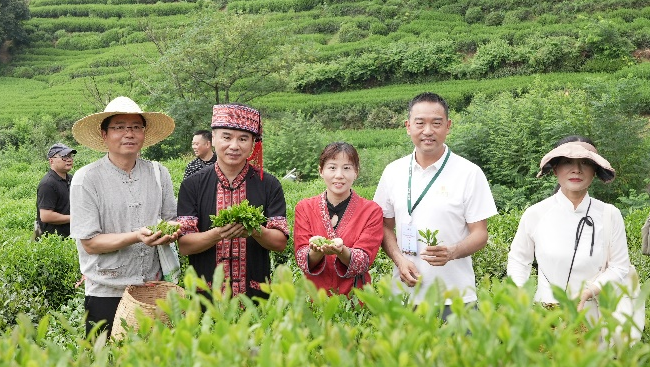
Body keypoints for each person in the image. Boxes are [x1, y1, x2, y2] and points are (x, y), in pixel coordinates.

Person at [373, 92, 497, 317]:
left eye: (436, 123)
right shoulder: (393, 172)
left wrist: (452, 251)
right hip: (403, 296)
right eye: (420, 123)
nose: (428, 131)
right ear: (408, 126)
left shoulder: (469, 173)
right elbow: (383, 226)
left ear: (448, 126)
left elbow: (480, 234)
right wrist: (400, 260)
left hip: (456, 298)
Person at [69, 96, 179, 338]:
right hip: (106, 292)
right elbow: (90, 243)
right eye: (119, 127)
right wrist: (137, 236)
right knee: (104, 358)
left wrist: (169, 232)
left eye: (135, 127)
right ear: (104, 134)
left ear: (143, 133)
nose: (129, 134)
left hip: (152, 290)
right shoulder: (86, 179)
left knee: (154, 358)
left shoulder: (159, 173)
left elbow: (171, 219)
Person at [507, 136, 630, 315]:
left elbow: (619, 267)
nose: (576, 170)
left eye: (585, 163)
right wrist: (520, 298)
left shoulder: (609, 214)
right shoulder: (535, 214)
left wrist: (590, 291)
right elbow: (518, 261)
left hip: (596, 314)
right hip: (546, 315)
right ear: (555, 169)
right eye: (567, 162)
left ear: (595, 170)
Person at [177, 103, 288, 300]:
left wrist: (255, 230)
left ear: (253, 143)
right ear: (213, 139)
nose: (234, 146)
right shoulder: (192, 185)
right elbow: (185, 245)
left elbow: (280, 242)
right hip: (205, 299)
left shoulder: (269, 184)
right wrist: (217, 234)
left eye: (243, 139)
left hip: (255, 298)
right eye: (226, 137)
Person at [294, 142, 383, 296]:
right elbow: (302, 259)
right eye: (332, 168)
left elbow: (364, 262)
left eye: (347, 168)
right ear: (321, 171)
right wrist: (317, 252)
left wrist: (342, 251)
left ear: (356, 172)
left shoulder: (371, 211)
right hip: (315, 299)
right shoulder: (304, 208)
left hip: (355, 300)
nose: (339, 175)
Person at [36, 143, 77, 238]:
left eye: (70, 156)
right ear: (51, 161)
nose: (69, 159)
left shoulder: (71, 179)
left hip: (70, 236)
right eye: (64, 157)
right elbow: (46, 216)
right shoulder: (48, 184)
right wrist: (75, 218)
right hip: (52, 240)